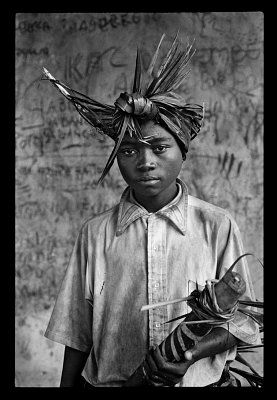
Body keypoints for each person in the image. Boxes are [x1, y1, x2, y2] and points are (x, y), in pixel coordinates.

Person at [43, 33, 261, 387]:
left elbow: (243, 323)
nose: (145, 162)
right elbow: (77, 332)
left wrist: (192, 353)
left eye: (159, 148)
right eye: (128, 151)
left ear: (182, 151)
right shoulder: (96, 233)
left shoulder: (217, 226)